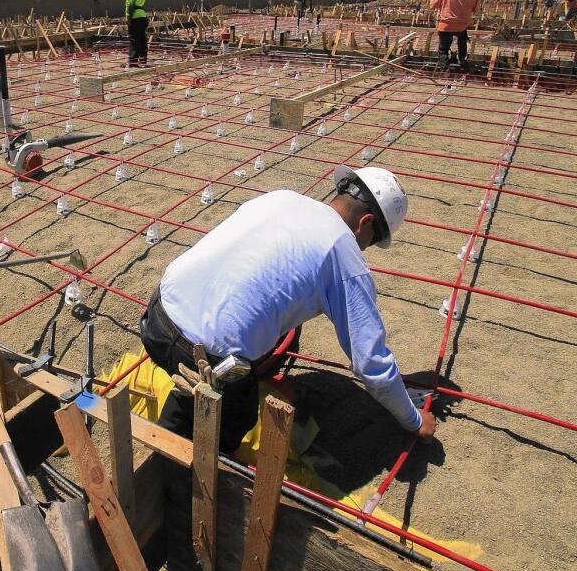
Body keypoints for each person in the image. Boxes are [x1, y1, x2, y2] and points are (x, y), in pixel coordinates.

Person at [142, 166, 437, 452]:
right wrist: (414, 421)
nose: (363, 249)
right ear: (366, 223)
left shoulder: (282, 197)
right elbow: (370, 362)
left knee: (281, 317)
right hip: (202, 359)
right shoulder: (342, 252)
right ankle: (176, 452)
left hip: (156, 315)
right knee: (230, 422)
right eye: (370, 242)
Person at [429, 0, 482, 71]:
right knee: (462, 41)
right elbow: (476, 10)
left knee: (443, 49)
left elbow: (432, 5)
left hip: (446, 25)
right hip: (462, 25)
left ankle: (444, 68)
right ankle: (462, 61)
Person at [124, 0, 149, 67]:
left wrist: (128, 16)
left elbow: (129, 1)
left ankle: (133, 62)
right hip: (143, 15)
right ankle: (143, 60)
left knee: (134, 39)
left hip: (134, 15)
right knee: (142, 38)